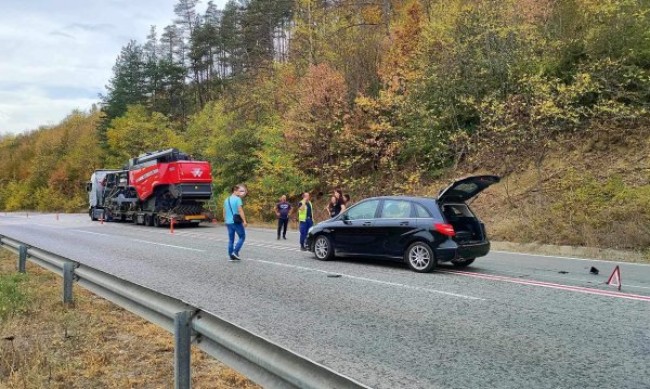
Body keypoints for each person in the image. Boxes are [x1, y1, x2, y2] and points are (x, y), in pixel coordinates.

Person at [223, 184, 248, 261]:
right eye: (238, 191)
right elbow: (240, 210)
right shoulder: (237, 199)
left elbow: (224, 211)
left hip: (228, 222)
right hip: (236, 221)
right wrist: (244, 221)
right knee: (242, 237)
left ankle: (231, 256)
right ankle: (235, 252)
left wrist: (225, 220)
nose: (240, 193)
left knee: (231, 240)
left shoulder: (226, 200)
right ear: (234, 191)